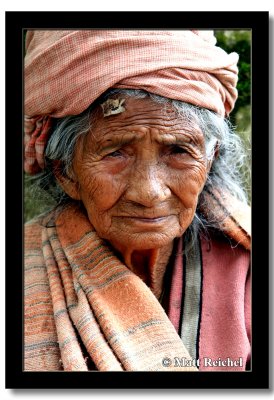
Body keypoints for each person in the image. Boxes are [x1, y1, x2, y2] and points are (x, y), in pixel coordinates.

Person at [24, 30, 251, 372]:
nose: (149, 193)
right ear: (65, 171)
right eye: (115, 152)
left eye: (178, 150)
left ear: (210, 159)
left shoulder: (247, 267)